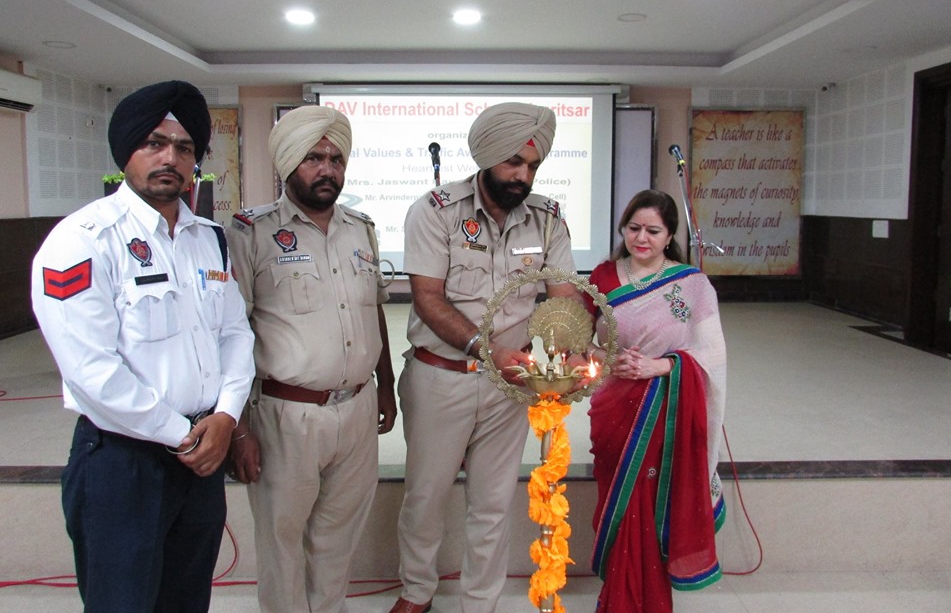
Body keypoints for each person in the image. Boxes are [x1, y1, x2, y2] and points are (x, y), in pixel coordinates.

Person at [31, 80, 256, 613]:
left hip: (203, 451)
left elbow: (235, 333)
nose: (170, 158)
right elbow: (91, 371)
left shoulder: (209, 238)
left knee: (186, 600)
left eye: (184, 147)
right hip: (124, 462)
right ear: (126, 152)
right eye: (154, 143)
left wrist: (226, 416)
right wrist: (183, 436)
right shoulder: (83, 239)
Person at [391, 102, 580, 613]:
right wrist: (488, 350)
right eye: (513, 163)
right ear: (487, 156)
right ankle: (417, 591)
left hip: (508, 387)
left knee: (493, 504)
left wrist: (568, 349)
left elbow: (563, 297)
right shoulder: (435, 212)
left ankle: (480, 602)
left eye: (533, 166)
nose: (523, 176)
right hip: (441, 378)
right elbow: (428, 300)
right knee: (425, 497)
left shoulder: (547, 219)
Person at [226, 105, 397, 613]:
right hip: (286, 415)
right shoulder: (251, 232)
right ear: (288, 163)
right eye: (313, 158)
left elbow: (374, 311)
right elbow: (230, 332)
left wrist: (386, 386)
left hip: (357, 409)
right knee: (281, 541)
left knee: (338, 536)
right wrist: (238, 428)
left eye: (336, 159)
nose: (327, 169)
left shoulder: (361, 228)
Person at [585, 189, 727, 613]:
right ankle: (619, 597)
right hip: (615, 406)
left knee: (648, 505)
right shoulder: (602, 277)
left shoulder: (692, 284)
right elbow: (577, 343)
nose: (641, 238)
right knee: (620, 502)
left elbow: (713, 354)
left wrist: (661, 366)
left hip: (666, 408)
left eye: (653, 231)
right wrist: (605, 358)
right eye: (633, 228)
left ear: (669, 236)